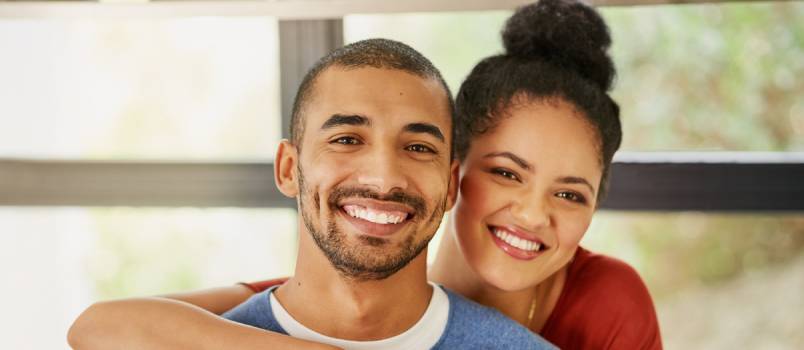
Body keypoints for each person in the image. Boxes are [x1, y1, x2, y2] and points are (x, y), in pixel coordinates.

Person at [69, 0, 661, 349]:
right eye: (508, 173)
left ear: (445, 179)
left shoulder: (604, 302)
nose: (533, 213)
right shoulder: (300, 294)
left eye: (568, 192)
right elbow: (96, 327)